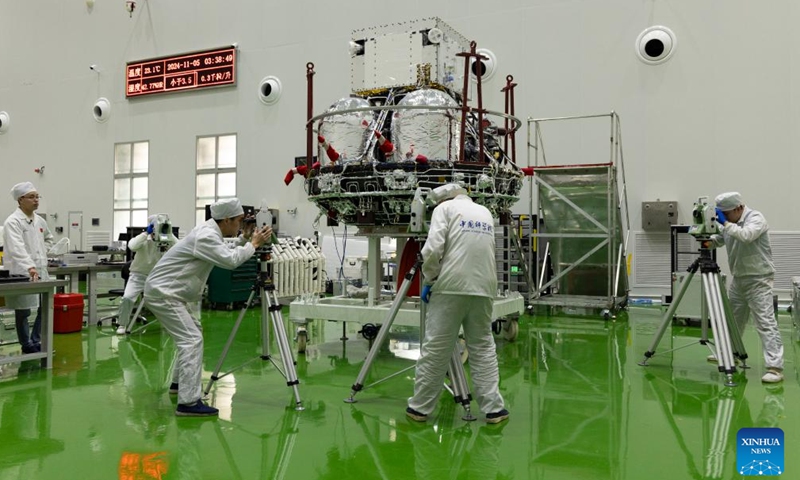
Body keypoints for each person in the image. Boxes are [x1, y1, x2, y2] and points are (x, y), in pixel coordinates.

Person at [144, 198, 271, 417]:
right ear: (227, 219)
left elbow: (224, 248)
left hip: (168, 292)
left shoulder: (209, 231)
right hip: (164, 294)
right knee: (191, 340)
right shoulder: (205, 235)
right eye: (239, 221)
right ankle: (189, 403)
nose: (240, 225)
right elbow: (230, 261)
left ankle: (178, 385)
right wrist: (254, 244)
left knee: (191, 336)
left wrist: (243, 239)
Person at [407, 184, 509, 424]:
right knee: (483, 346)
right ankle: (494, 409)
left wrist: (430, 279)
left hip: (451, 287)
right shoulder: (485, 213)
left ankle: (419, 408)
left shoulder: (445, 209)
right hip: (485, 287)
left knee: (436, 349)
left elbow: (432, 250)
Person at [711, 192, 784, 383]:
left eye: (726, 214)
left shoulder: (756, 218)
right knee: (734, 320)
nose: (724, 218)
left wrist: (725, 224)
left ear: (738, 208)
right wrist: (706, 236)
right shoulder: (728, 223)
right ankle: (731, 354)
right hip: (739, 278)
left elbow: (746, 235)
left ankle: (775, 368)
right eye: (722, 215)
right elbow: (720, 238)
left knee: (765, 322)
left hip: (759, 278)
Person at [2, 182, 54, 354]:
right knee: (23, 310)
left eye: (37, 196)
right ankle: (26, 344)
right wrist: (30, 265)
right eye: (31, 197)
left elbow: (49, 239)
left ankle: (36, 338)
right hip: (22, 272)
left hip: (41, 270)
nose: (36, 200)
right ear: (20, 200)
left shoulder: (40, 220)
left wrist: (41, 254)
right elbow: (16, 248)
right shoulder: (13, 222)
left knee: (43, 307)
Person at [115, 214, 177, 335]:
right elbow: (132, 246)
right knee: (127, 298)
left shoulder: (167, 240)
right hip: (138, 275)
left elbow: (179, 247)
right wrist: (145, 233)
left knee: (170, 299)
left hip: (157, 277)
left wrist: (169, 233)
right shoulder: (143, 239)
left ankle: (171, 324)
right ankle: (122, 324)